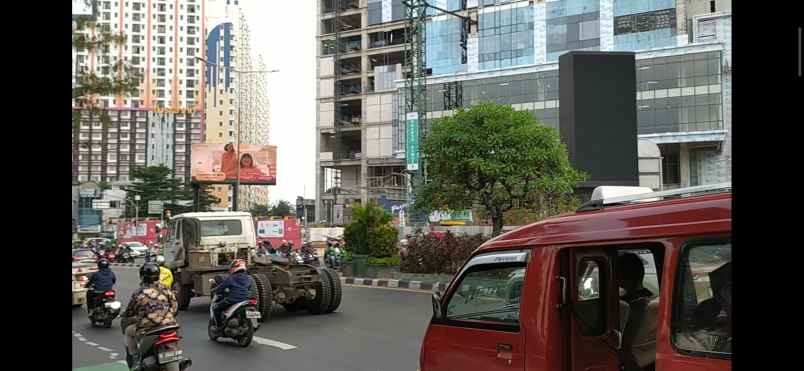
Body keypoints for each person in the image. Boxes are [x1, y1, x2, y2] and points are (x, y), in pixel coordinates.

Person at [122, 263, 178, 369]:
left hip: (150, 329)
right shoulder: (165, 289)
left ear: (142, 276)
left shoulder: (138, 292)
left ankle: (134, 358)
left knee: (129, 331)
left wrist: (126, 315)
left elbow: (129, 312)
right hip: (171, 326)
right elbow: (175, 307)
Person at [211, 260, 253, 328]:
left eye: (233, 267)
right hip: (246, 299)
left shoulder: (231, 278)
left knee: (216, 308)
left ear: (235, 267)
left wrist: (215, 290)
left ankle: (219, 326)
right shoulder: (249, 278)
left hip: (233, 299)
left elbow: (221, 288)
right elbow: (248, 288)